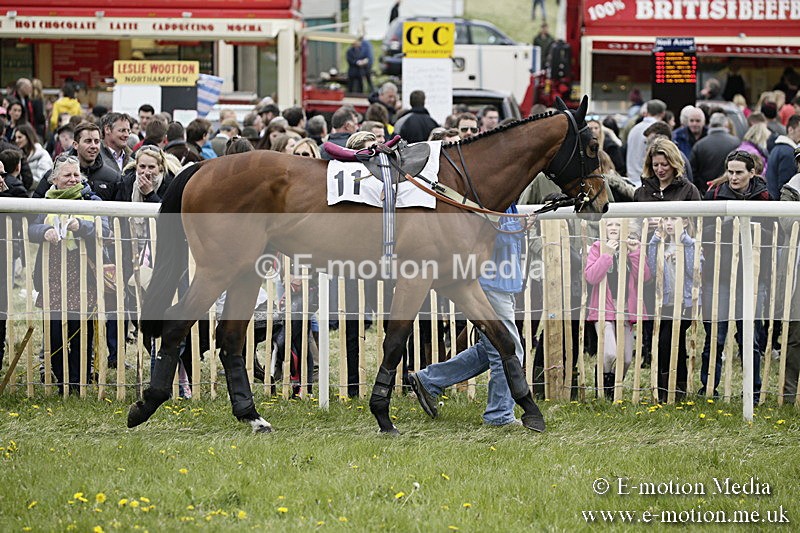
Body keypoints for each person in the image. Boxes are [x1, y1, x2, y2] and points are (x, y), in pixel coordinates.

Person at [408, 206, 527, 426]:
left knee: (487, 350)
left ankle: (428, 380)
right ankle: (499, 415)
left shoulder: (507, 200)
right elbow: (487, 240)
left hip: (500, 284)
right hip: (491, 285)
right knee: (508, 349)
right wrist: (517, 226)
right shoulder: (493, 199)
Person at [29, 155, 109, 393]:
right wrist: (45, 230)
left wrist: (82, 226)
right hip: (53, 272)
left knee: (80, 330)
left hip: (83, 272)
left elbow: (103, 227)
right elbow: (31, 228)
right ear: (55, 178)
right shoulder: (44, 201)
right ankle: (62, 379)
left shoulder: (91, 199)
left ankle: (78, 382)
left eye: (76, 175)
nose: (73, 179)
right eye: (67, 175)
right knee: (54, 332)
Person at [700, 150, 771, 400]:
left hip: (751, 278)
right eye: (730, 171)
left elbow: (774, 236)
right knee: (714, 338)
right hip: (717, 275)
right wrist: (728, 224)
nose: (733, 177)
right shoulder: (715, 194)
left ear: (752, 173)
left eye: (739, 172)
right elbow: (703, 230)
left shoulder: (763, 197)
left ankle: (752, 389)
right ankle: (708, 388)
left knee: (749, 337)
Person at [585, 219, 651, 398]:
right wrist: (607, 255)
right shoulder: (597, 247)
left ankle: (614, 384)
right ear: (603, 227)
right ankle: (604, 388)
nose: (614, 228)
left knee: (627, 358)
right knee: (610, 353)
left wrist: (635, 253)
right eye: (610, 225)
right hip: (603, 308)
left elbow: (644, 277)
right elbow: (591, 277)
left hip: (625, 309)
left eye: (618, 225)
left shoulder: (630, 247)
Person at [647, 216, 698, 402]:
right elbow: (652, 270)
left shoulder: (691, 244)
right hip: (666, 303)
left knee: (673, 341)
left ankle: (677, 386)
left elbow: (694, 271)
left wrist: (683, 244)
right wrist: (654, 241)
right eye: (666, 219)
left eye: (673, 219)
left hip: (685, 303)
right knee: (665, 343)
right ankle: (666, 386)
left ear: (685, 222)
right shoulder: (661, 245)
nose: (669, 223)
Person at [34, 121, 120, 201]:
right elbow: (35, 208)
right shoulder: (54, 174)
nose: (93, 146)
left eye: (96, 141)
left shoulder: (112, 177)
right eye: (88, 141)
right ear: (75, 145)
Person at [778, 146, 800, 401]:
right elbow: (787, 223)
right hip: (797, 265)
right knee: (796, 333)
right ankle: (789, 393)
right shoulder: (791, 188)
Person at [634, 138, 700, 202]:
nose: (660, 170)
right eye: (655, 165)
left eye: (664, 165)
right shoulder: (640, 193)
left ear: (674, 164)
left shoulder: (689, 191)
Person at [690, 113, 742, 194]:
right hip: (731, 191)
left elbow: (693, 172)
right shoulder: (736, 142)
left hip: (707, 191)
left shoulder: (699, 145)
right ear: (725, 124)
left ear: (710, 124)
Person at [626, 99, 667, 187]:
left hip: (631, 180)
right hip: (648, 182)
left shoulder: (634, 129)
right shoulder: (659, 130)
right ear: (663, 113)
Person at [766, 114, 800, 199]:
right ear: (790, 130)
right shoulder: (788, 153)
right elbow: (786, 186)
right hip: (780, 205)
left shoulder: (778, 148)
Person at [14, 122, 52, 190]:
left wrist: (23, 183)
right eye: (15, 138)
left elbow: (44, 179)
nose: (17, 140)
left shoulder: (43, 155)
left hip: (36, 197)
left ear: (28, 137)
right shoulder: (20, 155)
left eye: (20, 137)